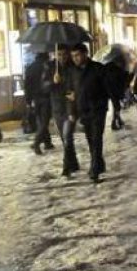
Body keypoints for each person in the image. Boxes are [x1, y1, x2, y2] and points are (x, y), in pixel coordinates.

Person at [67, 43, 110, 183]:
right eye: (73, 56)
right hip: (83, 111)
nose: (75, 59)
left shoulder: (98, 69)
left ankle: (94, 170)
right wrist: (72, 110)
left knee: (97, 139)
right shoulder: (73, 72)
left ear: (85, 54)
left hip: (97, 110)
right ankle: (99, 164)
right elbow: (71, 93)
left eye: (78, 55)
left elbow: (107, 89)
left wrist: (104, 103)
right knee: (91, 140)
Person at [44, 47, 79, 176]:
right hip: (57, 107)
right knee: (65, 139)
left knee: (67, 136)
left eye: (64, 54)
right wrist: (52, 82)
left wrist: (76, 94)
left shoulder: (73, 67)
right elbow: (44, 87)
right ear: (54, 54)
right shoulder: (50, 67)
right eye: (59, 54)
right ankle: (74, 163)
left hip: (70, 107)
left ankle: (66, 166)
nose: (62, 57)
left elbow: (78, 84)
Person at [25, 52, 54, 155]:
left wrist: (28, 101)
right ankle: (36, 143)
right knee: (44, 122)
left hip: (35, 99)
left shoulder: (30, 67)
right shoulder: (48, 66)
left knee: (41, 121)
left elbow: (27, 86)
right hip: (46, 98)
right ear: (46, 57)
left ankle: (47, 142)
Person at [105, 57, 129, 130]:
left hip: (108, 90)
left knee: (116, 106)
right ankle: (114, 123)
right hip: (116, 91)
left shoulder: (107, 68)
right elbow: (123, 80)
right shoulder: (118, 70)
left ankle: (119, 120)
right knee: (117, 107)